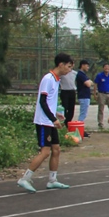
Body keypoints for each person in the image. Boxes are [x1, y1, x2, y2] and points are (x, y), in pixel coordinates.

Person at [17, 53, 74, 192]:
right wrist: (52, 119)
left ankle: (52, 180)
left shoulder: (56, 80)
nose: (69, 70)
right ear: (60, 64)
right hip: (44, 122)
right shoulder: (48, 79)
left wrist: (55, 114)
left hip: (49, 120)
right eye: (68, 66)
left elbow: (49, 102)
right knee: (45, 152)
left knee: (56, 150)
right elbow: (42, 102)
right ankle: (25, 178)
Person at [94, 63, 109, 130]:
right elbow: (95, 84)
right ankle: (100, 123)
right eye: (105, 67)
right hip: (102, 93)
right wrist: (95, 93)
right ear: (103, 68)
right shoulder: (99, 75)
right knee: (101, 109)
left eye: (108, 67)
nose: (106, 68)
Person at [74, 59, 93, 137]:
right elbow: (88, 84)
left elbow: (90, 82)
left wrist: (90, 81)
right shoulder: (80, 74)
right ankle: (79, 130)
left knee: (84, 114)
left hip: (86, 96)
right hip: (83, 96)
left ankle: (81, 129)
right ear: (83, 65)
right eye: (87, 66)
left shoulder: (84, 74)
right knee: (82, 114)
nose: (88, 67)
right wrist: (89, 81)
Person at [59, 65, 77, 132]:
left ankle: (68, 122)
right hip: (64, 91)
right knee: (65, 107)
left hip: (72, 91)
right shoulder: (62, 74)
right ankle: (63, 121)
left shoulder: (74, 73)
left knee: (71, 108)